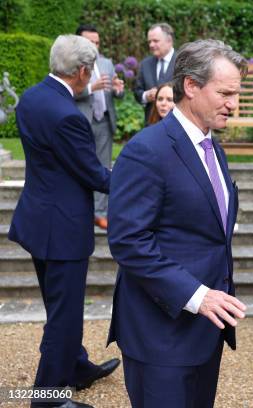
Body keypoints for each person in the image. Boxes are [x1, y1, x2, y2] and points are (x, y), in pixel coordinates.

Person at [107, 39, 248, 408]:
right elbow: (128, 241)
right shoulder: (146, 149)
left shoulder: (213, 147)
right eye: (225, 93)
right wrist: (198, 296)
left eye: (236, 93)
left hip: (204, 332)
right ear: (190, 86)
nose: (234, 104)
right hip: (159, 334)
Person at [9, 34, 118, 408]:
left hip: (38, 218)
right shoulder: (68, 116)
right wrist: (139, 176)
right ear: (83, 72)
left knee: (61, 307)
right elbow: (93, 174)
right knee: (64, 315)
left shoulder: (32, 97)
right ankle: (48, 397)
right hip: (62, 228)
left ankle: (76, 366)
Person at [74, 24, 124, 230]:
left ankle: (100, 213)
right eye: (89, 42)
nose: (94, 46)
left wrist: (119, 90)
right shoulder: (71, 64)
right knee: (80, 166)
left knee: (103, 168)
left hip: (104, 120)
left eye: (97, 42)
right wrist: (89, 88)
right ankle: (80, 210)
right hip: (81, 122)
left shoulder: (106, 63)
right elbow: (66, 91)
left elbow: (115, 93)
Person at [134, 22, 176, 123]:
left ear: (169, 41)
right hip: (151, 123)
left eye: (155, 41)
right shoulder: (145, 63)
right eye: (149, 42)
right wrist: (146, 96)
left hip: (177, 124)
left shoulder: (183, 62)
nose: (151, 45)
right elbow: (137, 92)